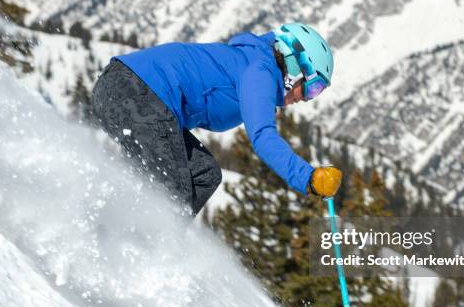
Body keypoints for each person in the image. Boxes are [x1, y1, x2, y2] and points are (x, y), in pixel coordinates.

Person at [91, 22, 342, 216]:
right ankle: (134, 250)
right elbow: (264, 137)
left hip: (124, 90)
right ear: (296, 65)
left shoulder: (253, 63)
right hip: (135, 92)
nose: (308, 98)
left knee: (203, 174)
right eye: (313, 87)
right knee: (171, 193)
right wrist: (309, 178)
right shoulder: (260, 71)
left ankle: (130, 236)